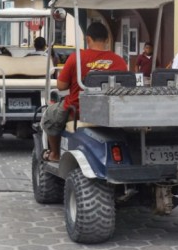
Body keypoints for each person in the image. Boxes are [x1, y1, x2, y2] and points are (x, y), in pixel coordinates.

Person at [40, 22, 127, 162]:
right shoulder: (120, 61)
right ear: (107, 40)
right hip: (110, 111)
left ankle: (55, 154)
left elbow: (61, 86)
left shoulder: (76, 58)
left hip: (78, 111)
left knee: (49, 116)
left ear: (88, 39)